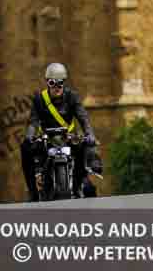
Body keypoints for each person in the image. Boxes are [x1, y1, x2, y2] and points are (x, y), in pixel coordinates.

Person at [20, 62, 102, 201]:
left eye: (60, 83)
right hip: (47, 140)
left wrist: (89, 133)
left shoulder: (72, 97)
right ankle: (33, 192)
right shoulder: (39, 99)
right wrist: (29, 136)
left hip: (68, 139)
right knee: (25, 148)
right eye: (53, 83)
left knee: (85, 148)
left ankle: (78, 184)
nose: (57, 87)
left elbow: (83, 117)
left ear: (64, 82)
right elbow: (33, 121)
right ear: (47, 82)